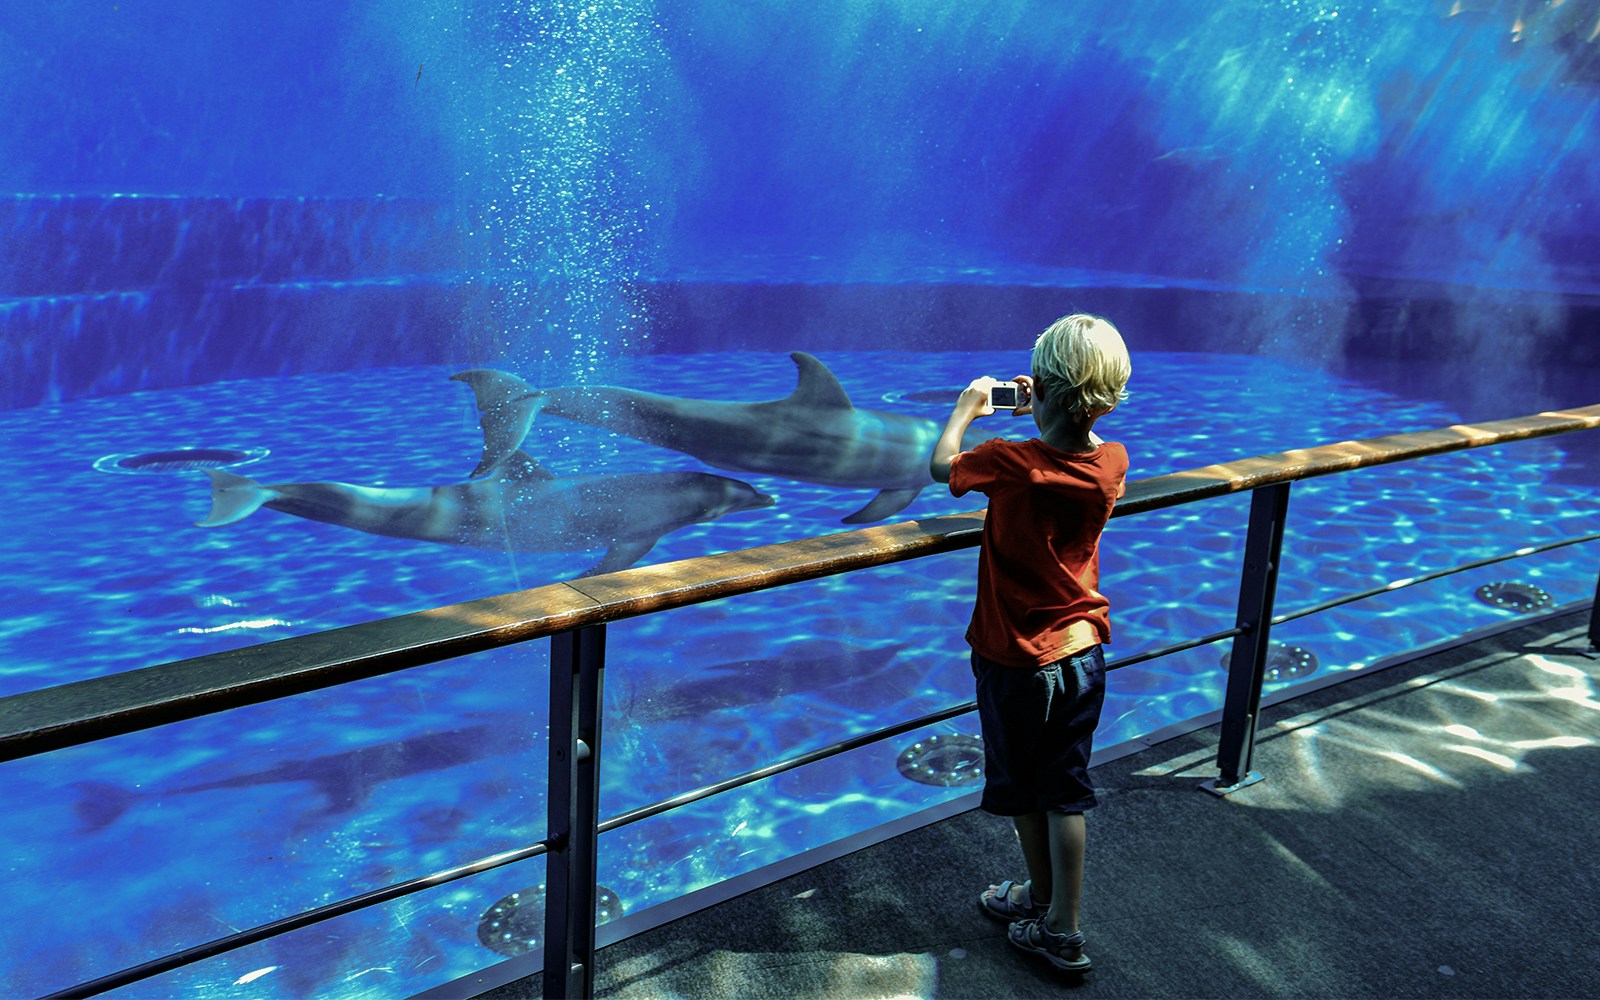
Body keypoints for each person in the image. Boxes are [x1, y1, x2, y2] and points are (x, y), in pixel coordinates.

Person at [929, 313, 1131, 975]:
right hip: (1083, 651)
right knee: (1065, 791)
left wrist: (967, 411)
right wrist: (1047, 413)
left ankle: (1051, 913)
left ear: (1039, 391)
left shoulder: (1009, 461)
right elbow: (1061, 463)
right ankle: (1058, 920)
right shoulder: (1113, 462)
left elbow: (943, 467)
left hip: (1016, 657)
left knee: (1023, 794)